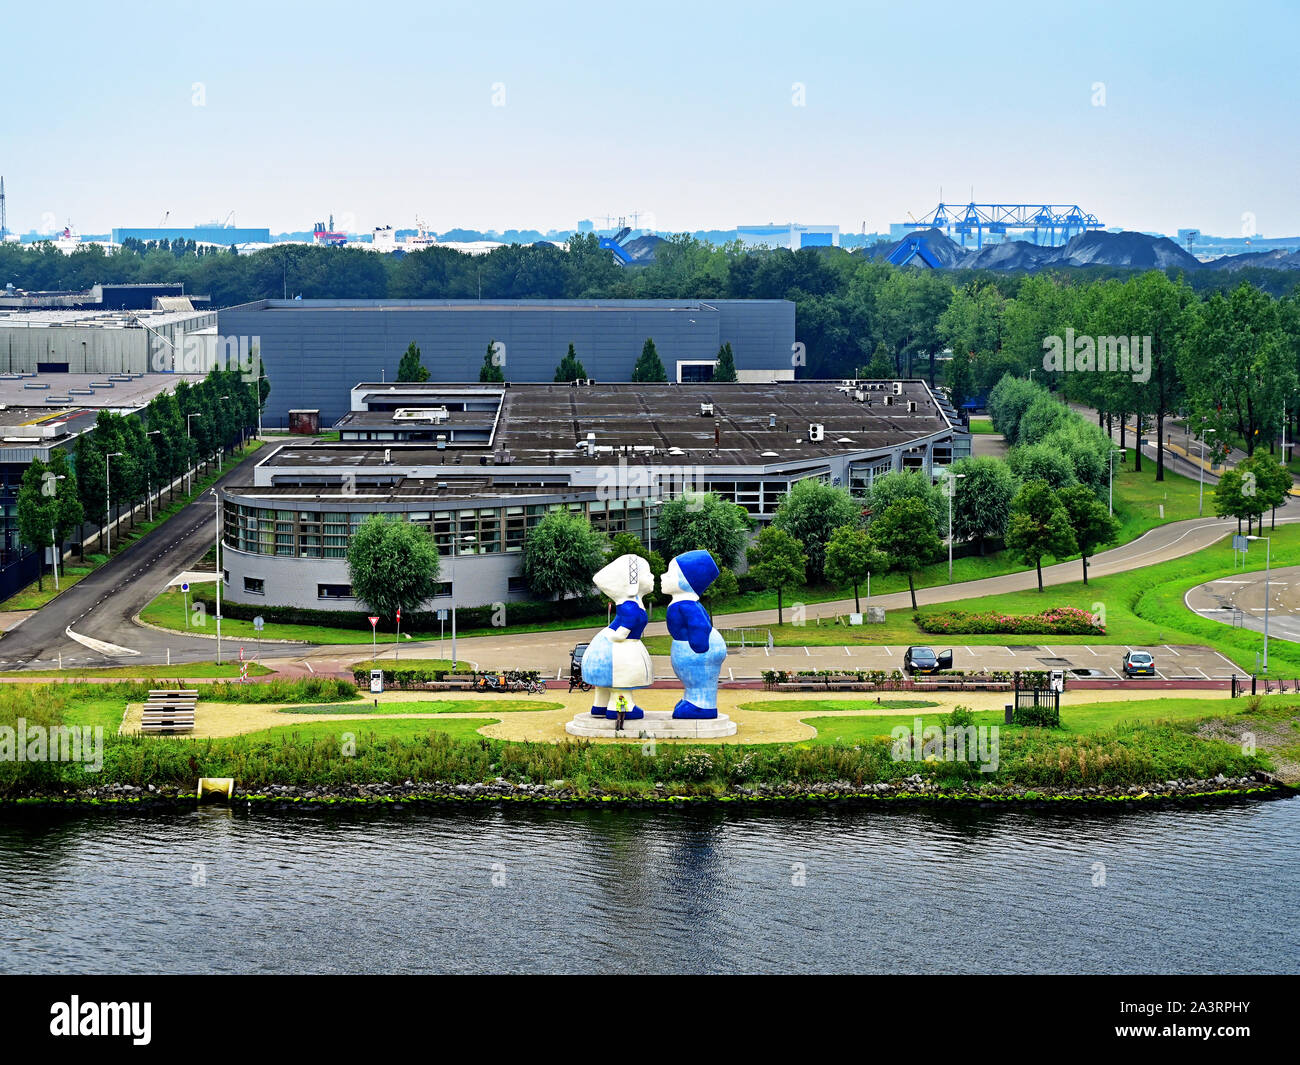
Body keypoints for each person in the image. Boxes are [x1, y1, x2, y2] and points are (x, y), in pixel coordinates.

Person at [580, 554, 655, 720]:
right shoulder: (631, 607)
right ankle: (621, 706)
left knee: (609, 679)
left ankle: (600, 704)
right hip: (621, 646)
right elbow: (622, 632)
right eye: (648, 574)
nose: (652, 577)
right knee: (621, 677)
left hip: (612, 642)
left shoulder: (631, 603)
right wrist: (619, 635)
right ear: (633, 583)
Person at [661, 550, 728, 719]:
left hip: (697, 649)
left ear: (685, 581)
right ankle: (692, 700)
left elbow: (700, 625)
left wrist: (698, 647)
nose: (663, 576)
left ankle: (702, 706)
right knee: (695, 681)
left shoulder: (687, 605)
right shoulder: (684, 602)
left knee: (700, 680)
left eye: (670, 573)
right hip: (690, 647)